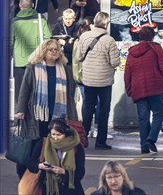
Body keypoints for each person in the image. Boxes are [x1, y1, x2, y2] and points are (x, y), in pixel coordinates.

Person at [16, 39, 79, 176]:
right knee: (34, 144)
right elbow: (25, 90)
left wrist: (72, 114)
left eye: (56, 49)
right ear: (43, 51)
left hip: (58, 115)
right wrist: (20, 109)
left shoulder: (65, 69)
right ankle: (27, 172)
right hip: (37, 114)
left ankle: (48, 173)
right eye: (50, 49)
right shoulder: (33, 67)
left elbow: (70, 94)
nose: (54, 52)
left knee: (53, 144)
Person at [76, 12, 120, 150]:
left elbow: (78, 57)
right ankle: (100, 141)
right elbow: (115, 62)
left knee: (88, 108)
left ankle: (83, 139)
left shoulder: (84, 36)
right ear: (105, 24)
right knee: (103, 110)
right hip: (105, 81)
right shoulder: (109, 40)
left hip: (88, 79)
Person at [124, 26, 163, 154]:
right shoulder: (156, 48)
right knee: (159, 114)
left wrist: (129, 89)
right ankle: (152, 138)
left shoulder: (132, 52)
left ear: (139, 36)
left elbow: (128, 73)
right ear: (153, 36)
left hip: (138, 88)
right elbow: (162, 67)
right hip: (155, 86)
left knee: (143, 118)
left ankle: (144, 146)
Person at [27, 117, 86, 195]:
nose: (55, 138)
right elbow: (30, 163)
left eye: (59, 135)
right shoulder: (43, 143)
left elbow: (80, 172)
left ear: (66, 134)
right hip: (47, 187)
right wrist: (39, 166)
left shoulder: (76, 147)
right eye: (53, 134)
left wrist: (64, 172)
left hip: (70, 189)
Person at [12, 0, 52, 102]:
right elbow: (48, 38)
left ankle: (22, 113)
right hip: (37, 60)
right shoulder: (41, 19)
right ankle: (35, 114)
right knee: (36, 90)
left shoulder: (14, 22)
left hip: (20, 63)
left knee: (21, 91)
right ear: (33, 5)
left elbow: (10, 43)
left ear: (20, 5)